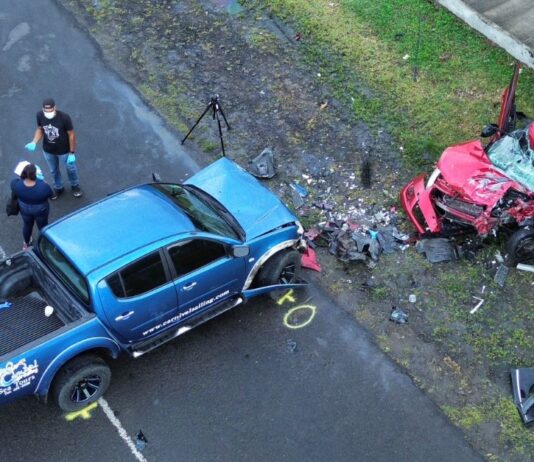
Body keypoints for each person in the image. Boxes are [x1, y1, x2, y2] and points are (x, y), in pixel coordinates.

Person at [25, 98, 83, 199]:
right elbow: (40, 129)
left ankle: (75, 185)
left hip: (64, 151)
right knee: (53, 170)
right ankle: (58, 187)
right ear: (42, 109)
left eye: (50, 110)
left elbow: (71, 134)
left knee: (70, 168)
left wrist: (72, 152)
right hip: (48, 150)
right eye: (46, 111)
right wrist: (34, 142)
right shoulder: (40, 115)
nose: (48, 113)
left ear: (55, 108)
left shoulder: (64, 117)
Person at [10, 163, 54, 250]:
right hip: (40, 209)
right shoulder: (43, 187)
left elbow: (16, 186)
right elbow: (51, 195)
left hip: (24, 208)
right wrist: (43, 181)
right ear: (35, 174)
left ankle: (26, 243)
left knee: (27, 225)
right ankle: (44, 244)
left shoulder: (15, 184)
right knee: (42, 226)